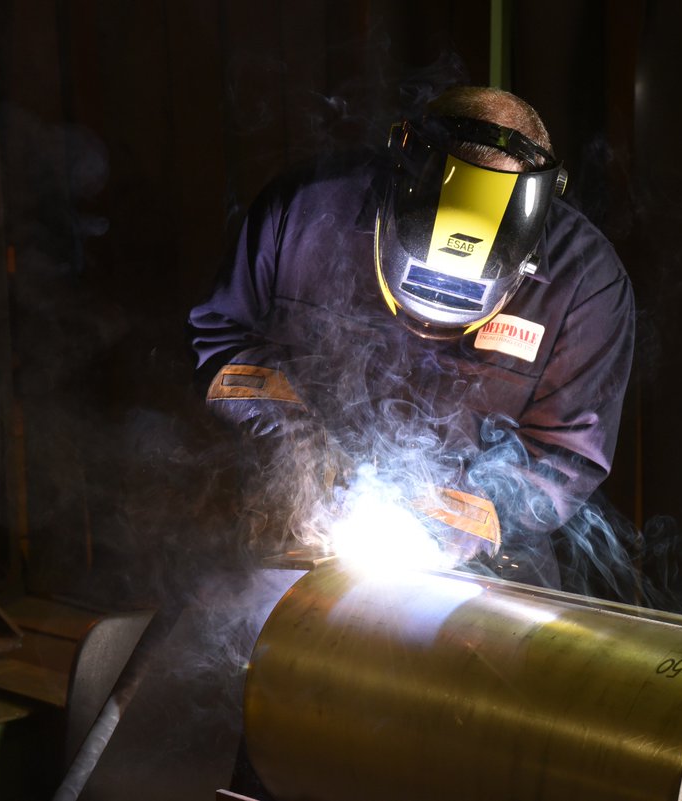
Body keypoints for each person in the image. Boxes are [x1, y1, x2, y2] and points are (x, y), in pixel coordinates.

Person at [186, 85, 635, 589]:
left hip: (480, 572)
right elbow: (221, 336)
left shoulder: (584, 284)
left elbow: (565, 457)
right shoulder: (303, 213)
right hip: (290, 534)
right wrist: (289, 435)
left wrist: (460, 512)